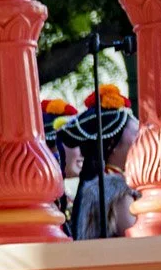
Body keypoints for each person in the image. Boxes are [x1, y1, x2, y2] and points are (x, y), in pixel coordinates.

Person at [60, 89, 140, 240]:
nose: (141, 138)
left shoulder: (97, 185)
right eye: (136, 133)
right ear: (112, 144)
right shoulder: (116, 191)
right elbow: (141, 242)